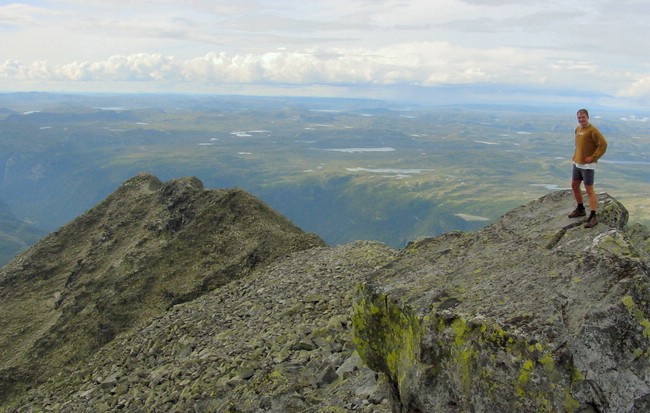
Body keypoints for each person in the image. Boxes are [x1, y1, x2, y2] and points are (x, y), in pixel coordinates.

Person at [568, 108, 607, 228]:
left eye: (583, 117)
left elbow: (603, 144)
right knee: (574, 185)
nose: (581, 120)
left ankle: (593, 215)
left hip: (588, 166)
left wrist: (594, 157)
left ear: (587, 117)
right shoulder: (578, 129)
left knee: (589, 189)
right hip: (577, 163)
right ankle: (580, 209)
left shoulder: (593, 130)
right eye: (579, 118)